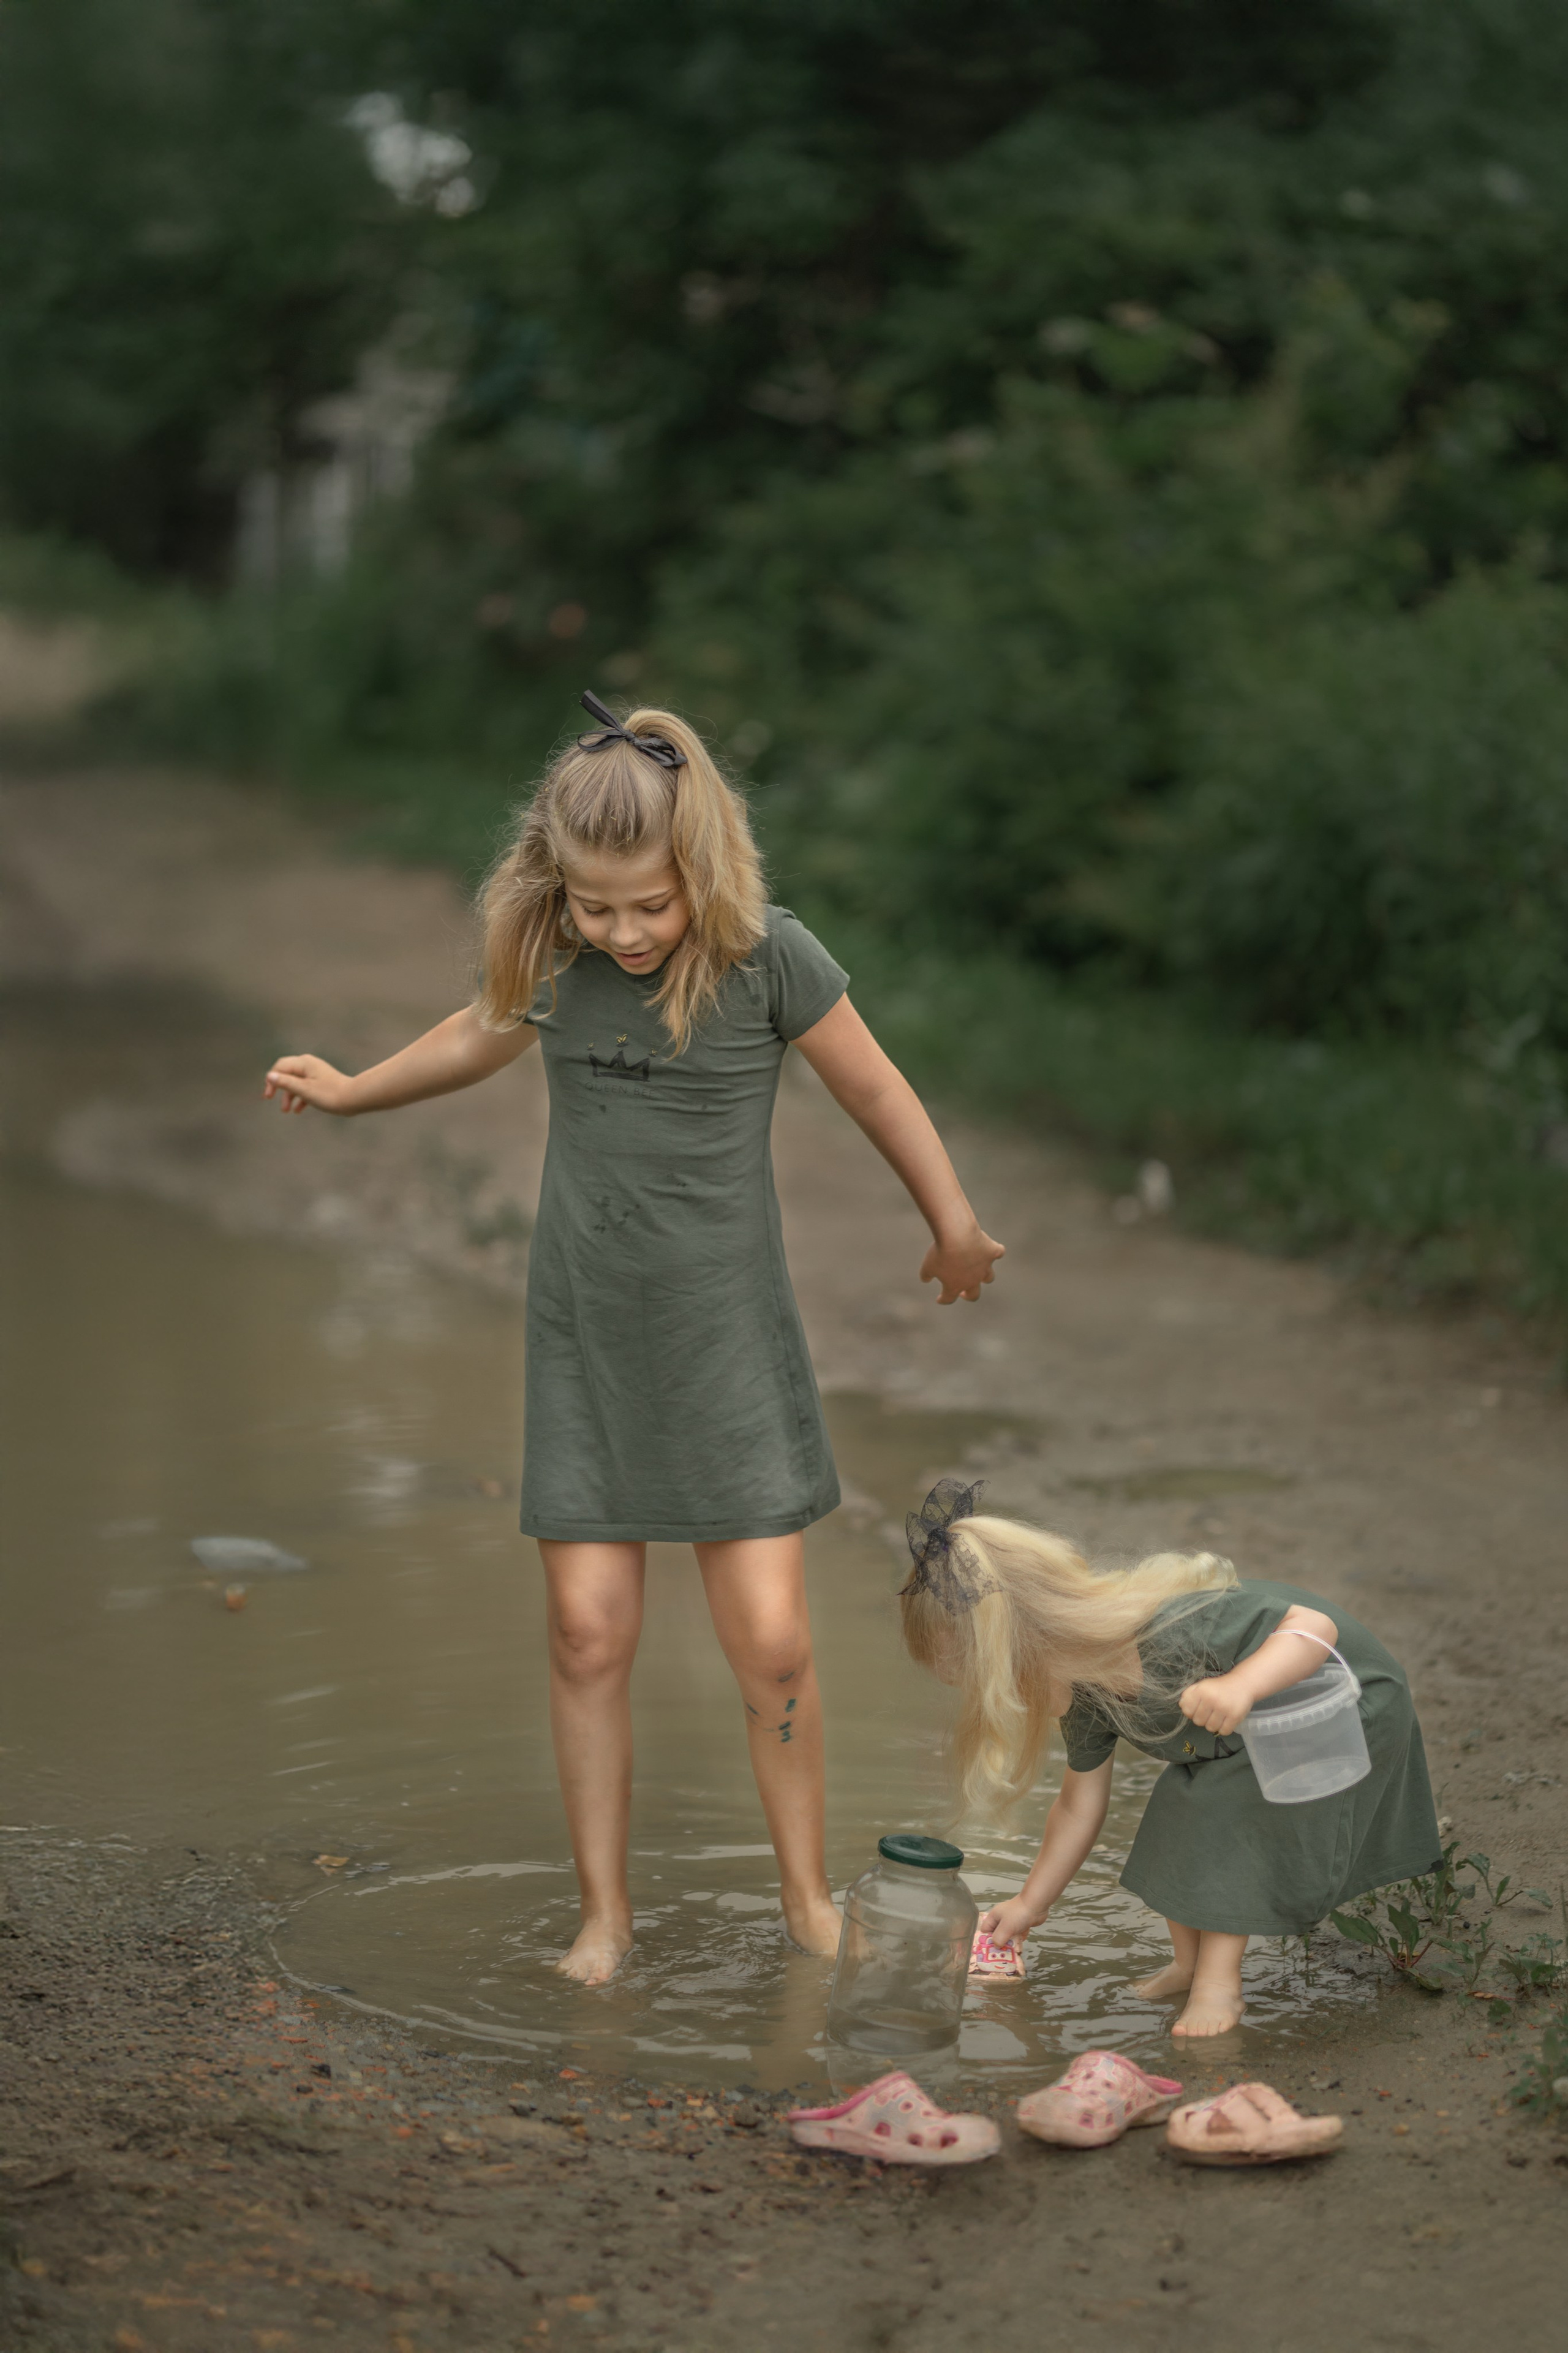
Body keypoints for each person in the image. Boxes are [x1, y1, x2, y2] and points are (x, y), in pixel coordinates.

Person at [263, 695, 1005, 1984]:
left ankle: (804, 1905)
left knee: (770, 1638)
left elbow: (875, 1086)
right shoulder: (554, 951)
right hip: (589, 1338)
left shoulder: (770, 958)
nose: (621, 931)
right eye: (595, 906)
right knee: (585, 1632)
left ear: (702, 868)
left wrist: (950, 1221)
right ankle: (603, 1918)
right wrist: (350, 1088)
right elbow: (473, 1034)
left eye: (646, 906)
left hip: (725, 1340)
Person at [899, 1479, 1441, 2036]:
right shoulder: (1087, 1694)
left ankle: (1218, 1984)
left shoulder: (1176, 1628)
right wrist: (1032, 1903)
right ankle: (1188, 1965)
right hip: (1259, 1731)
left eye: (989, 1681)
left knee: (1224, 1806)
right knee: (1175, 1813)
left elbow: (1313, 1627)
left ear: (1029, 1643)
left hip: (1341, 1701)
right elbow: (1077, 1804)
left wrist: (1242, 1684)